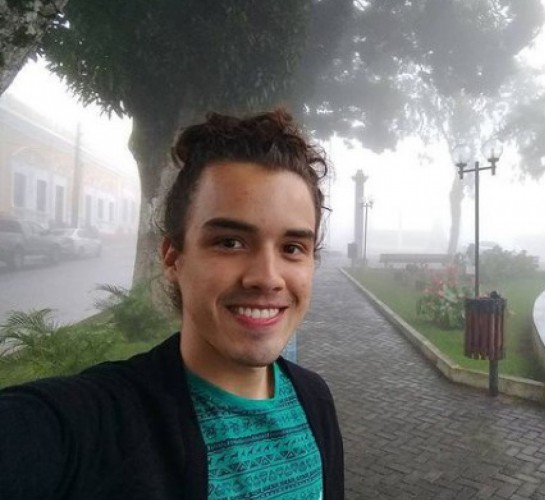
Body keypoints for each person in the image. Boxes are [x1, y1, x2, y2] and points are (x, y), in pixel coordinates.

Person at [0, 109, 344, 499]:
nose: (267, 277)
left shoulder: (315, 400)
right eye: (230, 242)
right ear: (172, 257)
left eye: (292, 248)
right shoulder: (95, 421)